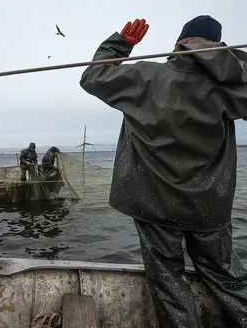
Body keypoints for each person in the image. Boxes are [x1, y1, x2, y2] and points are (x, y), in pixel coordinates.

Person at [79, 16, 247, 327]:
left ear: (177, 44)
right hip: (211, 206)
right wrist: (234, 63)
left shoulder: (146, 76)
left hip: (156, 205)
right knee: (228, 278)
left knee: (168, 281)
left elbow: (93, 77)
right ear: (219, 47)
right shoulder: (230, 87)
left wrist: (121, 44)